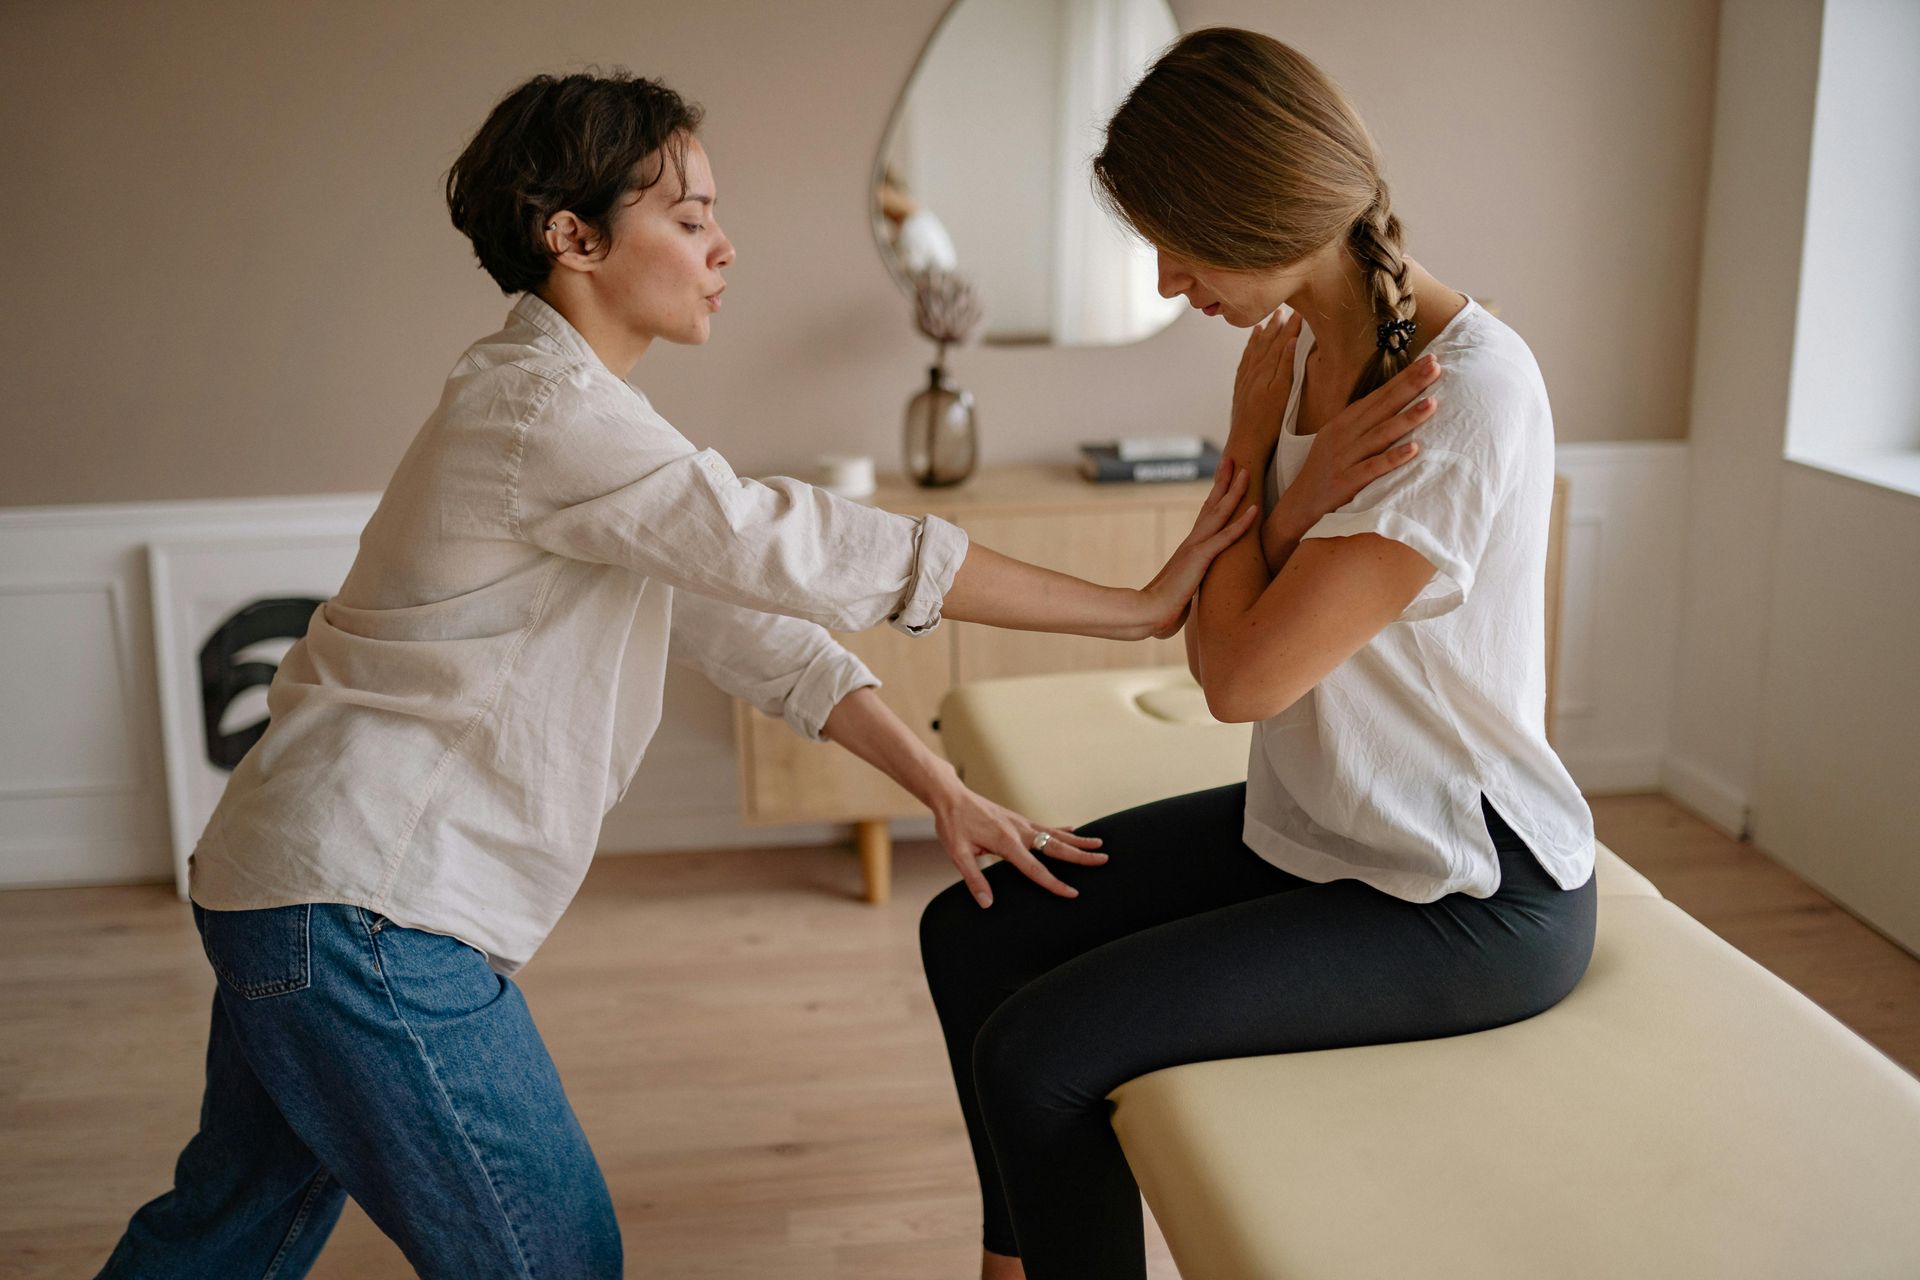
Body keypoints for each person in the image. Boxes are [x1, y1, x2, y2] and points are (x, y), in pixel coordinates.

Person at [95, 68, 1393, 1279]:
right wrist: (1134, 610)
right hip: (364, 919)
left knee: (227, 1232)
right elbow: (793, 546)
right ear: (574, 238)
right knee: (555, 1258)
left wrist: (934, 782)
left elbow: (744, 623)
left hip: (295, 894)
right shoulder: (547, 416)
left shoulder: (575, 419)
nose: (724, 248)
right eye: (689, 216)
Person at [916, 27, 1599, 1280]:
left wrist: (1242, 460)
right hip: (1327, 820)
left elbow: (1234, 674)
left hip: (1466, 887)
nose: (1171, 280)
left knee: (1041, 1049)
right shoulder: (1299, 356)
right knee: (974, 927)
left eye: (1180, 240)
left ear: (1264, 206)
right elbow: (1229, 605)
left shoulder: (1461, 401)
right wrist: (1259, 470)